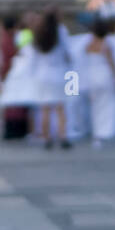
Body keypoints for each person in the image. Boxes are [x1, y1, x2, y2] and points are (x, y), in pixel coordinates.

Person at [30, 9, 71, 149]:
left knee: (45, 108)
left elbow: (33, 55)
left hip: (42, 73)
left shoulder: (38, 32)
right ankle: (63, 135)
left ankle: (47, 137)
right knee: (60, 108)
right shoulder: (61, 31)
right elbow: (68, 51)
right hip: (58, 72)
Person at [83, 17, 115, 147]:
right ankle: (105, 132)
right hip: (104, 75)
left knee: (95, 107)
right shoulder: (106, 45)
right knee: (107, 105)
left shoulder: (89, 45)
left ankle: (97, 133)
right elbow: (112, 64)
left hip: (92, 76)